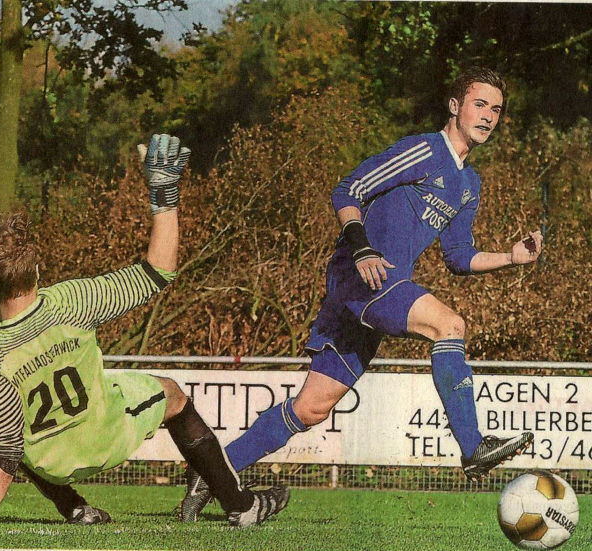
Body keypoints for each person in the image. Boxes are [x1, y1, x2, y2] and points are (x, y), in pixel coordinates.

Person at [180, 67, 543, 520]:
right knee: (450, 325)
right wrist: (363, 248)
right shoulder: (422, 149)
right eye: (480, 104)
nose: (488, 116)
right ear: (455, 106)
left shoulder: (469, 185)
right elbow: (348, 188)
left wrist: (511, 257)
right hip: (361, 278)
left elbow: (458, 256)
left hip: (375, 294)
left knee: (311, 409)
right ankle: (473, 446)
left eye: (496, 109)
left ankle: (216, 470)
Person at [0, 135, 289, 528]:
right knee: (172, 394)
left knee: (20, 431)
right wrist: (164, 196)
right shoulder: (70, 301)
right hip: (102, 441)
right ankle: (241, 504)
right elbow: (157, 272)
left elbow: (7, 445)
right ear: (37, 271)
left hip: (51, 464)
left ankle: (76, 509)